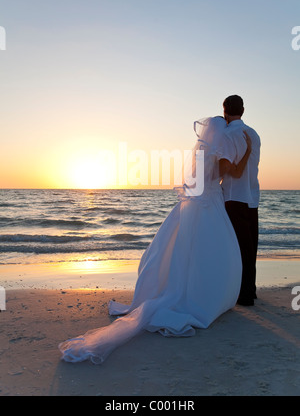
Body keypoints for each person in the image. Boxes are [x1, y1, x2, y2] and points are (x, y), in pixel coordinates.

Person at [59, 116, 252, 364]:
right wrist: (245, 151)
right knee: (211, 252)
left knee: (185, 250)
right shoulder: (219, 154)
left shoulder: (200, 155)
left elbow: (198, 181)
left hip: (197, 202)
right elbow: (233, 173)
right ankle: (205, 298)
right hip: (211, 203)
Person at [220, 95, 261, 306]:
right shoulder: (253, 133)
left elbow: (229, 170)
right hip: (252, 196)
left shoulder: (226, 135)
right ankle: (249, 290)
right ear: (243, 111)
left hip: (233, 196)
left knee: (236, 247)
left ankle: (242, 294)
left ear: (225, 111)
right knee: (250, 246)